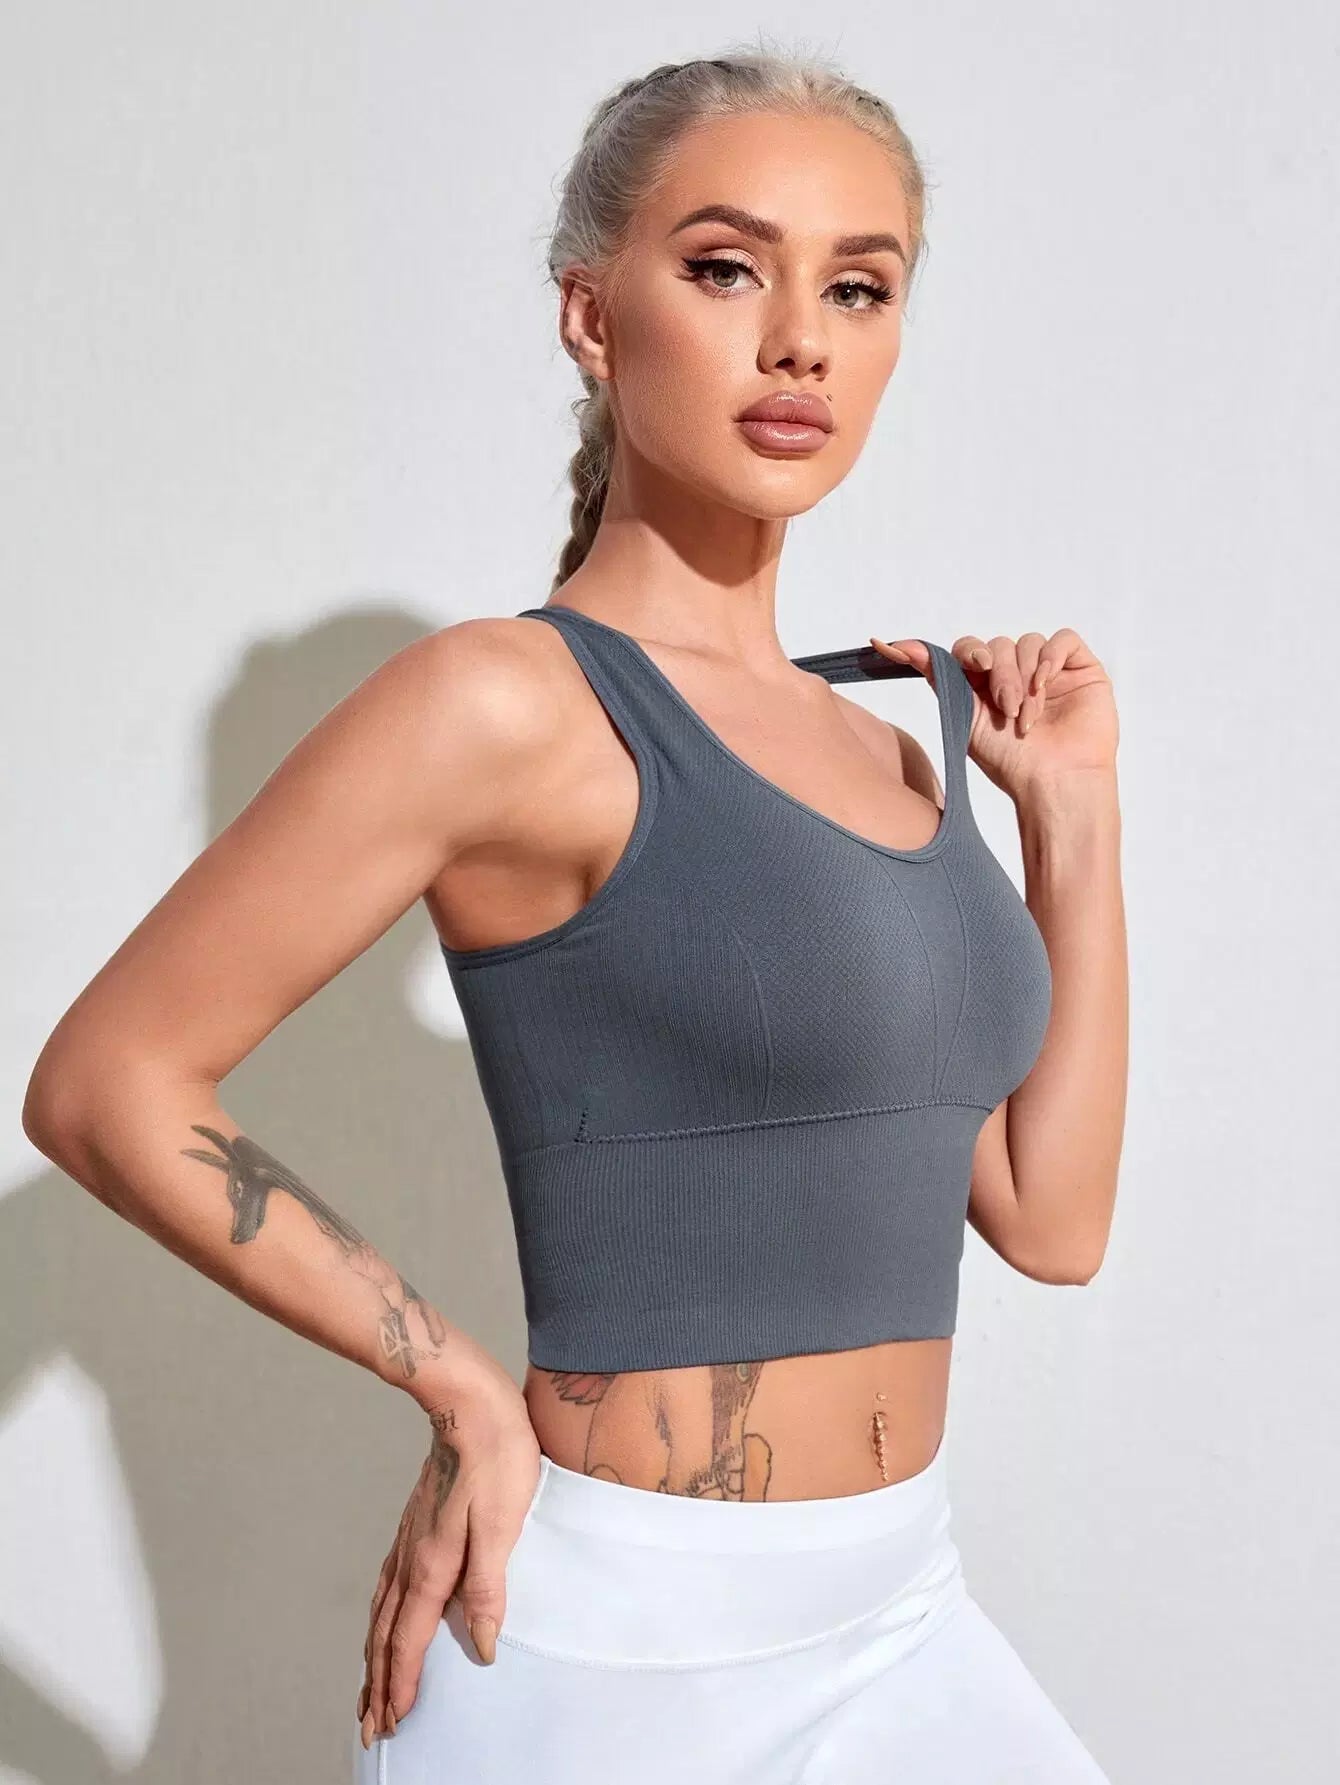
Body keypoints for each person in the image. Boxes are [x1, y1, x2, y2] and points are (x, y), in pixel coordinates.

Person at [21, 43, 1127, 1785]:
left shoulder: (896, 746)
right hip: (611, 1648)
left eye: (858, 287)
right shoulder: (509, 704)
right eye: (727, 268)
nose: (801, 341)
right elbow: (105, 1081)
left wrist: (1073, 815)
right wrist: (453, 1377)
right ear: (592, 317)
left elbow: (1051, 1219)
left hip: (903, 1605)